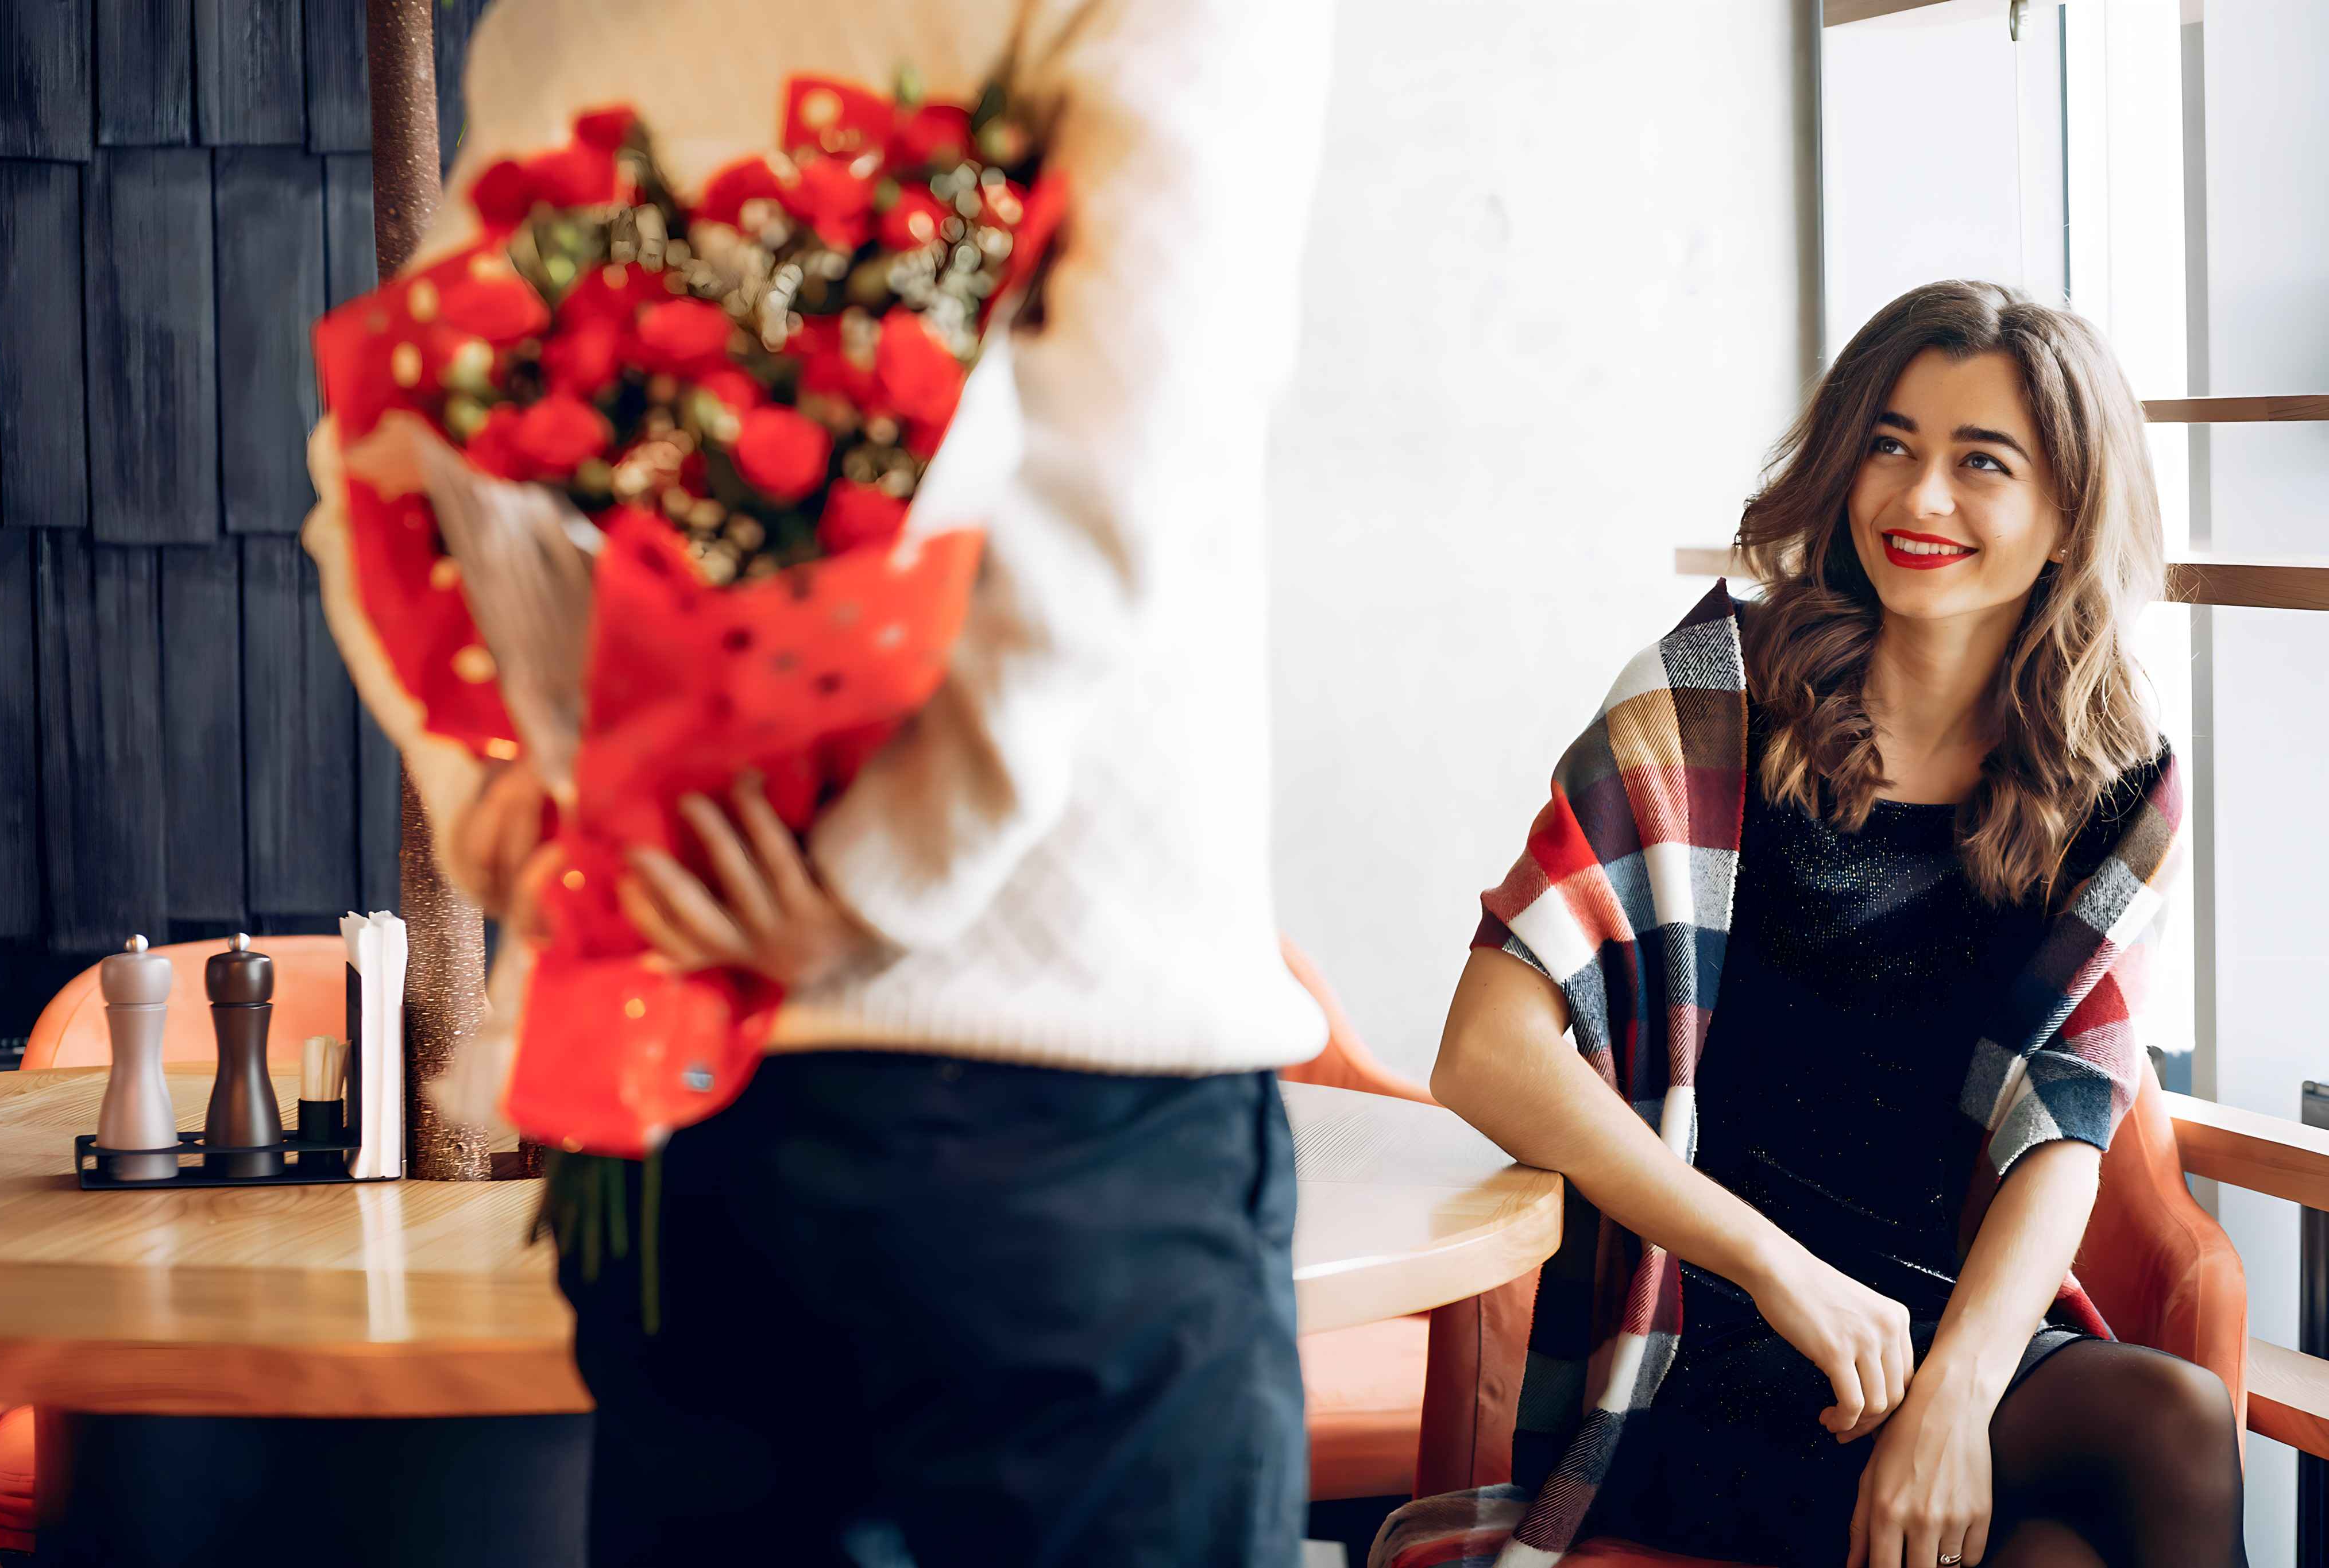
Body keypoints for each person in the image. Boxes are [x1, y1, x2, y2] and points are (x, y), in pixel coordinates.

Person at [430, 1, 1337, 1563]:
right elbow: (1136, 441)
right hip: (1047, 1089)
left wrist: (504, 797)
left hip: (660, 1063)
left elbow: (408, 442)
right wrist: (881, 868)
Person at [1432, 281, 2246, 1568]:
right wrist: (1773, 1269)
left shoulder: (2112, 778)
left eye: (1979, 463)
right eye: (1888, 444)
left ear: (2066, 516)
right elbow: (1482, 1050)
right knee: (2149, 1441)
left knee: (2128, 1464)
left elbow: (2065, 1123)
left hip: (1929, 1322)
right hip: (1690, 1327)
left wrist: (1956, 1399)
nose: (1917, 499)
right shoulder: (1710, 699)